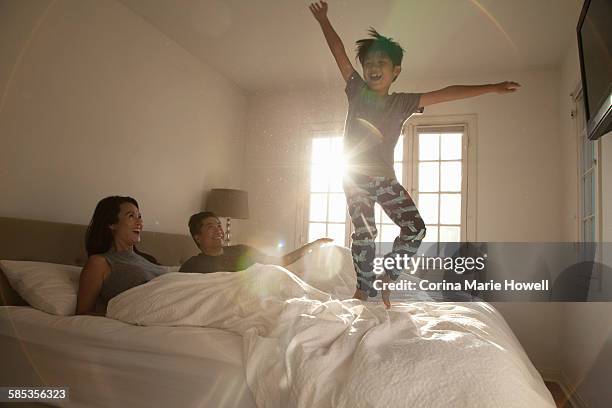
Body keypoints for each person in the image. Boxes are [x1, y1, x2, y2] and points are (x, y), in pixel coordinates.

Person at [309, 1, 520, 308]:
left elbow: (448, 92)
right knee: (365, 231)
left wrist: (492, 87)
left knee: (416, 228)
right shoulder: (356, 90)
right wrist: (324, 21)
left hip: (384, 179)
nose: (373, 67)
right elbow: (339, 53)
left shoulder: (403, 102)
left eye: (381, 62)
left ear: (396, 72)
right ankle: (362, 289)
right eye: (368, 62)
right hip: (354, 176)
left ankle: (389, 274)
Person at [76, 196, 166, 315]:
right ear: (112, 224)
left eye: (139, 216)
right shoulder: (100, 262)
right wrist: (120, 316)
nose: (140, 223)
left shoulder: (147, 260)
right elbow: (83, 312)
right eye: (131, 216)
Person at [179, 211, 332, 273]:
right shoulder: (193, 266)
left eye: (219, 225)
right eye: (211, 227)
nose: (218, 230)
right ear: (197, 237)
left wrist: (312, 245)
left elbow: (281, 261)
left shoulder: (241, 250)